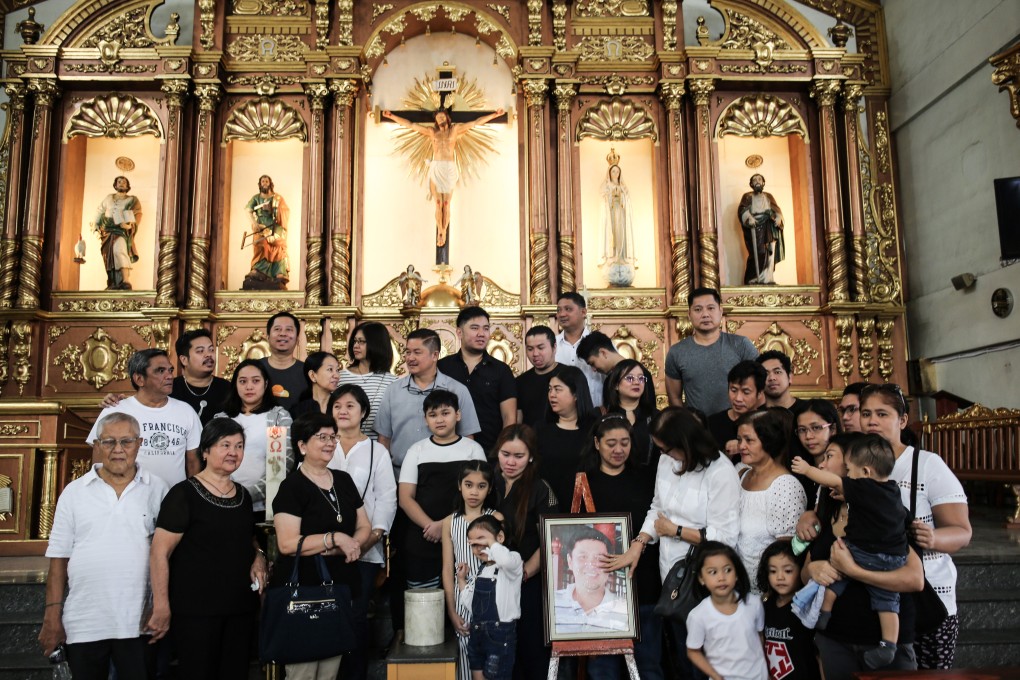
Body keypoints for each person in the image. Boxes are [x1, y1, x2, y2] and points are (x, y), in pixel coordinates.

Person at [608, 408, 740, 678]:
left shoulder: (720, 471)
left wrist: (676, 530)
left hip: (705, 578)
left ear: (685, 443)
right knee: (681, 653)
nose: (663, 454)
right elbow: (657, 507)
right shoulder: (667, 461)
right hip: (671, 575)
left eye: (667, 449)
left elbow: (725, 536)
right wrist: (640, 541)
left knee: (705, 661)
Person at [39, 413, 167, 680]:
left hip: (139, 624)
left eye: (126, 441)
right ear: (97, 445)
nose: (118, 450)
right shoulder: (74, 492)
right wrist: (52, 615)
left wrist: (162, 607)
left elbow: (167, 554)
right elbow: (58, 559)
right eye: (109, 442)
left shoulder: (158, 489)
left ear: (139, 443)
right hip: (84, 622)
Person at [859, 383, 970, 669]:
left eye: (882, 414)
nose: (872, 421)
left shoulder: (926, 465)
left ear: (903, 420)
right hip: (876, 597)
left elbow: (961, 531)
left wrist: (932, 537)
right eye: (866, 413)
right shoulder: (854, 464)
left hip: (926, 597)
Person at [147, 418, 267, 680]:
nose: (233, 452)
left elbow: (247, 537)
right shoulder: (184, 494)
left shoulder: (243, 496)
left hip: (239, 607)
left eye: (239, 445)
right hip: (195, 610)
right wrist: (161, 605)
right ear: (205, 451)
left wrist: (258, 556)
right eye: (225, 445)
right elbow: (159, 552)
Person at [801, 432, 925, 676]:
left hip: (880, 638)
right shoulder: (826, 511)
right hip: (835, 637)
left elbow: (914, 580)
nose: (822, 464)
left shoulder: (889, 514)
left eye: (830, 457)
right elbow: (806, 570)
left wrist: (852, 570)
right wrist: (813, 570)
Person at [271, 413, 372, 680]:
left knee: (330, 667)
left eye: (333, 437)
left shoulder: (343, 480)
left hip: (340, 585)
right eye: (322, 437)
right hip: (305, 590)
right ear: (302, 445)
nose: (330, 443)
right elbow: (286, 543)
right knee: (303, 670)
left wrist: (350, 545)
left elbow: (364, 527)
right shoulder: (292, 486)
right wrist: (335, 538)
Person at [576, 417, 662, 680]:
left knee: (649, 664)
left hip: (644, 583)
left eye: (624, 443)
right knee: (603, 668)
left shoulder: (647, 478)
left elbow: (658, 520)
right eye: (611, 443)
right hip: (602, 590)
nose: (618, 449)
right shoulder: (583, 482)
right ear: (596, 444)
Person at [325, 384, 397, 680]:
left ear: (363, 412)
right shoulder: (322, 445)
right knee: (328, 615)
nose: (343, 410)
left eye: (350, 405)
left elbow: (387, 498)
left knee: (355, 615)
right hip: (324, 548)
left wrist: (371, 539)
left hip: (365, 549)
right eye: (337, 405)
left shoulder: (375, 450)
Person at [382, 108, 505, 264]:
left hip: (448, 168)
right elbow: (411, 125)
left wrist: (494, 115)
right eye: (438, 118)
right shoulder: (432, 133)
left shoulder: (455, 130)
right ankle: (440, 229)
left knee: (446, 204)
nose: (440, 120)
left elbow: (475, 123)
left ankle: (444, 230)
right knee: (438, 203)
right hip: (437, 167)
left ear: (447, 118)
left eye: (442, 117)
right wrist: (392, 116)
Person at [399, 390, 487, 590]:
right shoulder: (416, 450)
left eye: (445, 413)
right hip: (424, 535)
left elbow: (481, 495)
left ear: (458, 415)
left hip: (464, 536)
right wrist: (431, 526)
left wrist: (446, 526)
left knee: (463, 598)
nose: (439, 420)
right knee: (424, 605)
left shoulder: (473, 449)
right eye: (433, 415)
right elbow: (405, 498)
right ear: (425, 419)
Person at [491, 425, 559, 680]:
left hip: (527, 581)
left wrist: (524, 573)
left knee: (530, 650)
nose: (510, 462)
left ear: (530, 456)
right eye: (505, 454)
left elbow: (551, 540)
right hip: (490, 582)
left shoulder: (541, 489)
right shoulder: (486, 482)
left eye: (518, 456)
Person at [87, 349, 202, 486]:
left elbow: (193, 463)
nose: (169, 376)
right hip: (129, 498)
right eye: (160, 371)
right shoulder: (117, 410)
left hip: (175, 501)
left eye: (170, 370)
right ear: (139, 379)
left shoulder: (186, 411)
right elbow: (99, 460)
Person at [375, 328, 481, 471]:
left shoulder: (457, 390)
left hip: (446, 475)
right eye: (408, 352)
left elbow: (468, 439)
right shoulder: (393, 391)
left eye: (417, 352)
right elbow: (384, 439)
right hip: (398, 475)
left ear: (435, 355)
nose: (410, 358)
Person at [443, 461, 502, 680]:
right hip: (462, 599)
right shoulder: (450, 522)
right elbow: (447, 568)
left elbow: (503, 563)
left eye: (481, 486)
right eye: (468, 485)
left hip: (494, 600)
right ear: (460, 485)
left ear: (489, 488)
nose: (474, 492)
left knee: (494, 660)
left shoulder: (496, 519)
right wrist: (451, 611)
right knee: (468, 660)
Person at [734, 410, 806, 589]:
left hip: (767, 591)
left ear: (768, 442)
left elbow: (788, 553)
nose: (741, 446)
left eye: (749, 440)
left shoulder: (785, 486)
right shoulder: (741, 474)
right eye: (739, 439)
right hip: (737, 587)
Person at [213, 359, 293, 518]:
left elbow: (284, 462)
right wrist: (227, 493)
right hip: (222, 501)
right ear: (235, 385)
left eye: (255, 381)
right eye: (242, 381)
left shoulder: (278, 417)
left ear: (265, 383)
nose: (249, 386)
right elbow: (211, 461)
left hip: (264, 507)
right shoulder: (221, 419)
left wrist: (248, 495)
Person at [665, 287, 759, 415]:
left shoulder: (741, 345)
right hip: (697, 428)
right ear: (689, 314)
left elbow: (759, 387)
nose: (705, 314)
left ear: (720, 311)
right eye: (698, 309)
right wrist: (686, 425)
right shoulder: (677, 352)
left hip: (738, 424)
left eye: (711, 308)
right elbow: (674, 398)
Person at [438, 306, 518, 453]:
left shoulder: (501, 370)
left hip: (490, 451)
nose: (481, 334)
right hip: (447, 450)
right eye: (474, 328)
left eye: (486, 328)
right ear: (459, 332)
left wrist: (504, 450)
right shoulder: (443, 367)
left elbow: (509, 417)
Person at [686, 541, 768, 680]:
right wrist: (715, 676)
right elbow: (693, 651)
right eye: (713, 572)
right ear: (701, 578)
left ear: (736, 574)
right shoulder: (698, 616)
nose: (721, 578)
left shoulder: (754, 604)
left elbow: (760, 637)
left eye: (728, 570)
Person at [456, 515, 523, 680]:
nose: (479, 547)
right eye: (473, 544)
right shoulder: (482, 570)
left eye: (482, 540)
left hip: (500, 637)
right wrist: (462, 580)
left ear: (500, 537)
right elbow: (472, 604)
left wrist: (491, 544)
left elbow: (505, 559)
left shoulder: (513, 561)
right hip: (477, 636)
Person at [536, 366, 598, 510]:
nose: (552, 395)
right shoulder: (541, 429)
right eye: (550, 389)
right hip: (548, 505)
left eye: (558, 389)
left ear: (576, 394)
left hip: (585, 505)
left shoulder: (594, 428)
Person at [756, 541, 820, 680]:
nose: (780, 577)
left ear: (802, 569)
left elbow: (818, 653)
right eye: (773, 571)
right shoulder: (764, 605)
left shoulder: (808, 608)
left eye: (788, 571)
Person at [553, 527, 629, 634]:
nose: (592, 564)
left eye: (599, 558)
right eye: (582, 557)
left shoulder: (625, 610)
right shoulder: (552, 602)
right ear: (570, 561)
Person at [339, 321, 398, 439]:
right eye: (355, 341)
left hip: (376, 449)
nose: (356, 346)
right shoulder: (340, 377)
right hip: (342, 446)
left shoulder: (393, 382)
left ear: (376, 344)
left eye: (361, 342)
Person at [602, 359, 659, 474]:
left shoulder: (656, 416)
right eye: (629, 378)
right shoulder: (603, 415)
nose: (637, 382)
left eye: (641, 378)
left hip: (649, 481)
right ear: (616, 385)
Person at [706, 360, 767, 459]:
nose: (738, 398)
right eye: (733, 390)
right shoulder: (712, 423)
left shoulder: (768, 423)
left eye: (746, 392)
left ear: (759, 393)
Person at [554, 292, 605, 408]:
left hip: (594, 413)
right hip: (560, 416)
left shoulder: (599, 343)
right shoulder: (552, 345)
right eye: (559, 310)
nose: (562, 314)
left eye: (568, 309)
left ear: (583, 312)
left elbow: (612, 377)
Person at [171, 329, 232, 424]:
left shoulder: (228, 388)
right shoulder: (171, 389)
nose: (208, 355)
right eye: (200, 351)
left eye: (211, 350)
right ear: (184, 360)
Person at [92, 175, 140, 290]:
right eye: (119, 182)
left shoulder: (132, 199)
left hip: (120, 230)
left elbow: (136, 214)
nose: (121, 183)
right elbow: (100, 210)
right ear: (115, 184)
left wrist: (128, 226)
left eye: (124, 182)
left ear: (128, 185)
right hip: (106, 230)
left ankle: (126, 281)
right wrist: (95, 224)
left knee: (119, 250)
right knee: (109, 256)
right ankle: (113, 283)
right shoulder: (109, 197)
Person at [243, 174, 290, 289]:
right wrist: (255, 224)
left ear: (270, 184)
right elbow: (247, 210)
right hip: (261, 228)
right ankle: (259, 270)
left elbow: (285, 211)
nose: (264, 183)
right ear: (260, 184)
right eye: (262, 182)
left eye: (266, 181)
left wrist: (275, 210)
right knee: (260, 244)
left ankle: (279, 271)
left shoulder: (277, 198)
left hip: (275, 227)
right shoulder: (256, 198)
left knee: (278, 246)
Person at [738, 173, 785, 285]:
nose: (757, 181)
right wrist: (748, 217)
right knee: (758, 252)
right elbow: (742, 210)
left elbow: (777, 210)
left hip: (769, 226)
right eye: (755, 180)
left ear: (763, 183)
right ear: (751, 184)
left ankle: (767, 278)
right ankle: (753, 277)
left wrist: (778, 217)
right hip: (755, 227)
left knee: (770, 252)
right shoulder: (747, 196)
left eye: (760, 179)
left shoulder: (769, 196)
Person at [259, 311, 305, 410]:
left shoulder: (307, 372)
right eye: (277, 329)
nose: (283, 334)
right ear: (268, 337)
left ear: (297, 339)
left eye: (289, 329)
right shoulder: (255, 368)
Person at [516, 326, 559, 429]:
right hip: (530, 441)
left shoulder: (569, 375)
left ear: (554, 347)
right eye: (530, 349)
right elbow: (518, 421)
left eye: (540, 348)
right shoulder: (520, 382)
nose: (535, 354)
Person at [599, 161, 636, 270]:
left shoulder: (623, 187)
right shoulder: (606, 186)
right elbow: (603, 199)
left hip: (621, 213)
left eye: (617, 172)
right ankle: (613, 255)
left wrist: (622, 196)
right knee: (612, 233)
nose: (615, 174)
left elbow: (627, 201)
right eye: (613, 171)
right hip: (611, 215)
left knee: (621, 234)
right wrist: (610, 195)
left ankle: (621, 256)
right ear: (609, 173)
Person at [290, 351, 341, 419]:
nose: (336, 376)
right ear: (312, 375)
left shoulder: (341, 406)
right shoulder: (298, 410)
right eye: (330, 369)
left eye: (337, 370)